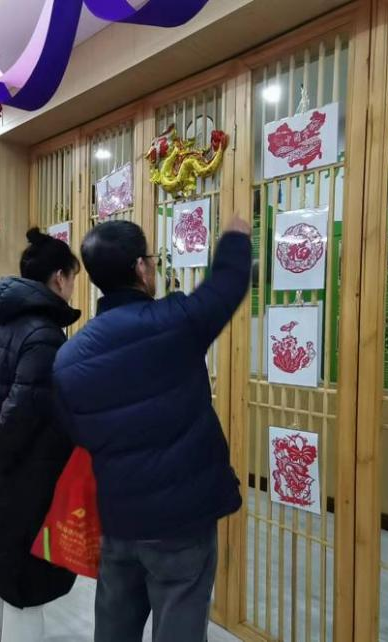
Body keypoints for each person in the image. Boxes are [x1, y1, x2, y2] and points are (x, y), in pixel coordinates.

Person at [52, 218, 252, 642]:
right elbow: (226, 287)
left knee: (114, 623)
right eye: (151, 260)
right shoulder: (175, 321)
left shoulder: (69, 358)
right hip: (182, 519)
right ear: (141, 269)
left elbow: (76, 433)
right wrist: (235, 237)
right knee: (180, 620)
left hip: (117, 515)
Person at [0, 229, 80, 642]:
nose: (72, 287)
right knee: (25, 573)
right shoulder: (44, 334)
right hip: (25, 467)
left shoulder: (6, 322)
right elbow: (22, 410)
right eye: (73, 277)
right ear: (59, 278)